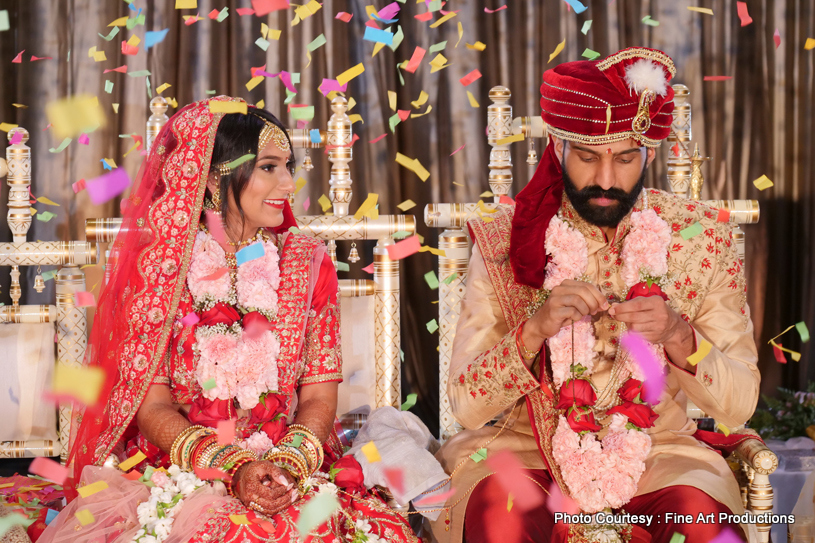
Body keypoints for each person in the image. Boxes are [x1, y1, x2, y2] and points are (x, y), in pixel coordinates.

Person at [40, 97, 418, 543]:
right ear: (215, 176)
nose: (288, 183)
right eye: (269, 167)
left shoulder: (308, 263)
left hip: (287, 460)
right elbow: (152, 407)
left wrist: (287, 466)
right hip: (179, 469)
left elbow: (318, 395)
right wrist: (233, 466)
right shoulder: (160, 268)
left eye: (288, 166)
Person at [428, 47, 760, 543]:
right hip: (522, 449)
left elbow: (741, 401)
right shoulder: (506, 242)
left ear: (648, 153)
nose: (606, 180)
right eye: (587, 157)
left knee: (700, 519)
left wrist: (678, 333)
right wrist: (533, 331)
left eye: (625, 158)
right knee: (502, 515)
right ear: (559, 148)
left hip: (660, 452)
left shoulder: (701, 240)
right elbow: (465, 405)